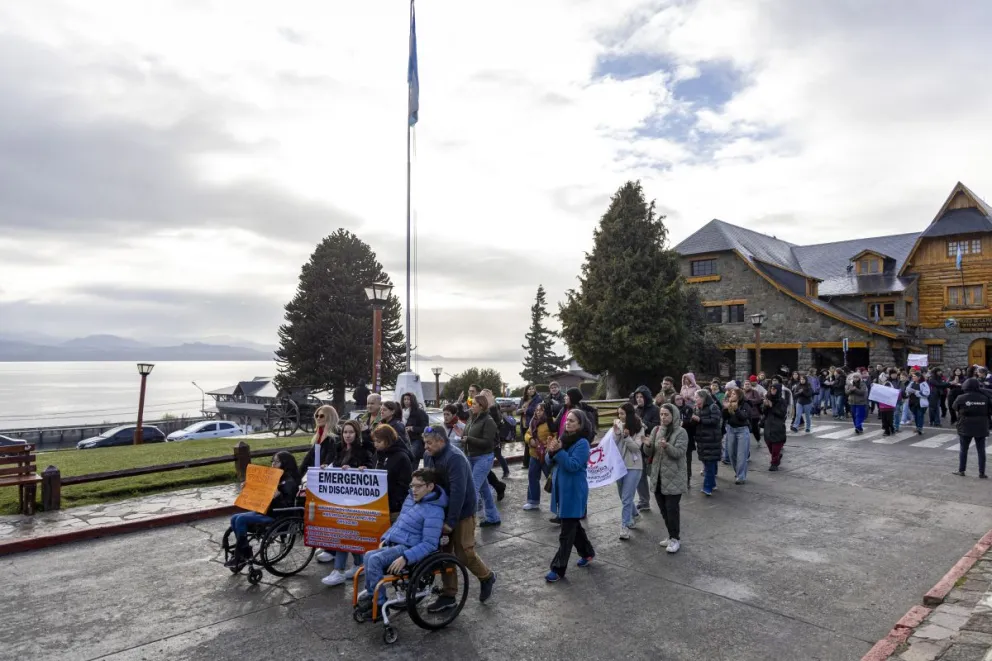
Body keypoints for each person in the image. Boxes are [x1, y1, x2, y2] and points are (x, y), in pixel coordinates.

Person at [422, 426, 498, 610]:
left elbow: (459, 493)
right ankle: (449, 595)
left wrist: (450, 522)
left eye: (429, 443)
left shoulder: (455, 458)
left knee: (464, 553)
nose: (425, 447)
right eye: (425, 443)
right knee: (444, 554)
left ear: (441, 441)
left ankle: (486, 577)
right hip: (441, 510)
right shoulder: (428, 456)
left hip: (463, 510)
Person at [356, 468, 447, 616]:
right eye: (412, 485)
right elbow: (399, 523)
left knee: (374, 560)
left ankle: (379, 606)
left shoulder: (435, 511)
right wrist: (386, 538)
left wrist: (406, 557)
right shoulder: (411, 499)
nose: (414, 490)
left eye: (418, 486)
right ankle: (373, 596)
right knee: (367, 556)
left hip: (409, 547)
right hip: (397, 542)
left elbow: (430, 544)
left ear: (430, 486)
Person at [319, 420, 375, 586]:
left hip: (356, 502)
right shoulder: (340, 449)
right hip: (341, 500)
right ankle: (359, 563)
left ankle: (339, 570)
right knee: (348, 534)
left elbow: (371, 471)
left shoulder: (363, 451)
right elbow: (335, 466)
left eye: (351, 432)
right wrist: (327, 467)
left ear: (356, 434)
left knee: (343, 534)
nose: (347, 435)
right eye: (345, 432)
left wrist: (360, 469)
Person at [225, 451, 301, 567]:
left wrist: (278, 496)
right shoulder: (272, 477)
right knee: (234, 518)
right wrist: (249, 486)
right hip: (266, 511)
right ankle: (243, 551)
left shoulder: (289, 482)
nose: (273, 464)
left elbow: (287, 507)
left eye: (277, 462)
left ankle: (243, 554)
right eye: (272, 461)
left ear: (285, 463)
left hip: (278, 516)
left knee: (240, 519)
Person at [545, 409, 594, 582]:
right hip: (562, 490)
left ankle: (558, 569)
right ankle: (587, 553)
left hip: (574, 491)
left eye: (572, 421)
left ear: (580, 424)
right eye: (567, 420)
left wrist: (558, 452)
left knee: (566, 533)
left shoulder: (582, 443)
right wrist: (551, 452)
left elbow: (573, 465)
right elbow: (549, 461)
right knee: (573, 526)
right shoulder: (563, 439)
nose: (568, 423)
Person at [643, 403, 688, 553]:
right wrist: (647, 445)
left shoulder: (681, 432)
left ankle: (675, 539)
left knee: (672, 509)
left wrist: (667, 446)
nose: (663, 417)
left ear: (673, 415)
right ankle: (671, 536)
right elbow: (649, 453)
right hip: (658, 477)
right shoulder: (656, 430)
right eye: (661, 414)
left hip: (674, 477)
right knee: (663, 510)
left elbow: (679, 453)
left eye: (666, 414)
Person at [462, 393, 501, 527]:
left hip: (483, 458)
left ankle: (467, 520)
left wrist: (469, 439)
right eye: (471, 404)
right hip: (470, 457)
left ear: (482, 406)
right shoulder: (471, 418)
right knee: (484, 489)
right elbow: (466, 434)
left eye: (474, 404)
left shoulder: (488, 421)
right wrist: (463, 437)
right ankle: (493, 517)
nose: (471, 406)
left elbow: (487, 442)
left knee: (472, 488)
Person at [612, 403, 644, 540]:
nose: (620, 416)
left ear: (629, 414)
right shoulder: (618, 426)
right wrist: (616, 433)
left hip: (634, 466)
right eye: (619, 413)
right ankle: (635, 515)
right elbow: (612, 444)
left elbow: (636, 448)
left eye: (623, 413)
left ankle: (624, 526)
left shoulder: (640, 428)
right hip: (619, 466)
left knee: (626, 498)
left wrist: (626, 436)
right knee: (623, 496)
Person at [371, 423, 413, 522]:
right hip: (379, 504)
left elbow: (405, 484)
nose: (375, 444)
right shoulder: (378, 454)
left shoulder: (402, 457)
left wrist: (395, 503)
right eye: (374, 441)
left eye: (379, 441)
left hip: (394, 508)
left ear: (388, 440)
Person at [952, 378, 990, 478]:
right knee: (981, 450)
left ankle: (961, 470)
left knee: (963, 450)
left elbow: (954, 407)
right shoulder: (985, 397)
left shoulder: (961, 397)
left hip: (965, 425)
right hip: (981, 426)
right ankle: (982, 472)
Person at [633, 385, 659, 512]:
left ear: (646, 398)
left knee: (654, 474)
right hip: (638, 447)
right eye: (637, 397)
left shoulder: (655, 410)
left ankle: (662, 496)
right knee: (640, 475)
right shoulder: (636, 410)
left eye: (641, 397)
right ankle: (644, 501)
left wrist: (643, 423)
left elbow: (657, 426)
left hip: (652, 446)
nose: (639, 399)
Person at [523, 401, 552, 511]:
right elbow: (527, 433)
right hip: (534, 454)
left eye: (540, 410)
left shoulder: (550, 421)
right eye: (536, 410)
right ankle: (533, 501)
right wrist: (530, 439)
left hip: (546, 455)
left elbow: (556, 435)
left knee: (551, 478)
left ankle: (559, 500)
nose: (537, 412)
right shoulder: (533, 421)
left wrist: (549, 444)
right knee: (532, 478)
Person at [694, 388, 723, 496]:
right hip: (702, 440)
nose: (695, 399)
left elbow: (715, 420)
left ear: (703, 398)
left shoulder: (713, 407)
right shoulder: (697, 408)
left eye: (697, 397)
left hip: (712, 440)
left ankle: (707, 487)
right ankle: (712, 484)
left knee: (709, 464)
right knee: (707, 463)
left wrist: (700, 420)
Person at [722, 387, 752, 485]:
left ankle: (741, 476)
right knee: (731, 454)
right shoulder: (729, 404)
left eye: (734, 394)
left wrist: (737, 409)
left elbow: (744, 417)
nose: (731, 395)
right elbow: (724, 417)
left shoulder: (745, 404)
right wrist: (726, 409)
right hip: (731, 430)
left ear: (739, 396)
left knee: (741, 455)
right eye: (731, 394)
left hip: (742, 430)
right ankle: (738, 472)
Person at [300, 405, 339, 473]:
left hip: (325, 472)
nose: (318, 418)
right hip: (315, 470)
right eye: (317, 416)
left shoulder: (335, 436)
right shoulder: (319, 435)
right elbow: (308, 458)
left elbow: (330, 458)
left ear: (330, 417)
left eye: (321, 416)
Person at [517, 385, 543, 470]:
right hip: (523, 423)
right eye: (529, 389)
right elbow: (517, 410)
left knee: (530, 442)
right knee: (526, 442)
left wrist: (525, 410)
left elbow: (535, 410)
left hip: (532, 423)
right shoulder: (523, 399)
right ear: (526, 391)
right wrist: (521, 410)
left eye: (533, 389)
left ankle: (528, 463)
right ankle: (527, 462)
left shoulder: (538, 399)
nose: (531, 390)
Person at [762, 383, 788, 471]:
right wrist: (765, 406)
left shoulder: (782, 401)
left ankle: (774, 463)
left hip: (778, 426)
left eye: (774, 389)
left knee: (776, 445)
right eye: (771, 388)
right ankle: (777, 456)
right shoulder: (768, 398)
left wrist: (772, 406)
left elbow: (782, 414)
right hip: (768, 425)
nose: (772, 390)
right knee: (769, 444)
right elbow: (764, 412)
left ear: (778, 390)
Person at [673, 393, 696, 489]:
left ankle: (687, 479)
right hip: (675, 439)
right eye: (677, 399)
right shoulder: (671, 410)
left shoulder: (688, 409)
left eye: (680, 399)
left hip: (687, 438)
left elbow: (692, 422)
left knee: (687, 460)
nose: (679, 401)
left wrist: (684, 423)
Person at [401, 392, 430, 468]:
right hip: (404, 440)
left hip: (415, 440)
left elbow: (425, 427)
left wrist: (412, 428)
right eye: (404, 399)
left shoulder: (420, 412)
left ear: (413, 400)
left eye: (408, 399)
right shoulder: (401, 412)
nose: (406, 401)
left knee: (412, 460)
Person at [878, 373, 899, 437]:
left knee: (889, 419)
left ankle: (890, 429)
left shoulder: (888, 384)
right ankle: (888, 430)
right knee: (884, 419)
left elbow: (889, 392)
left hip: (888, 406)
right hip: (883, 406)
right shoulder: (881, 385)